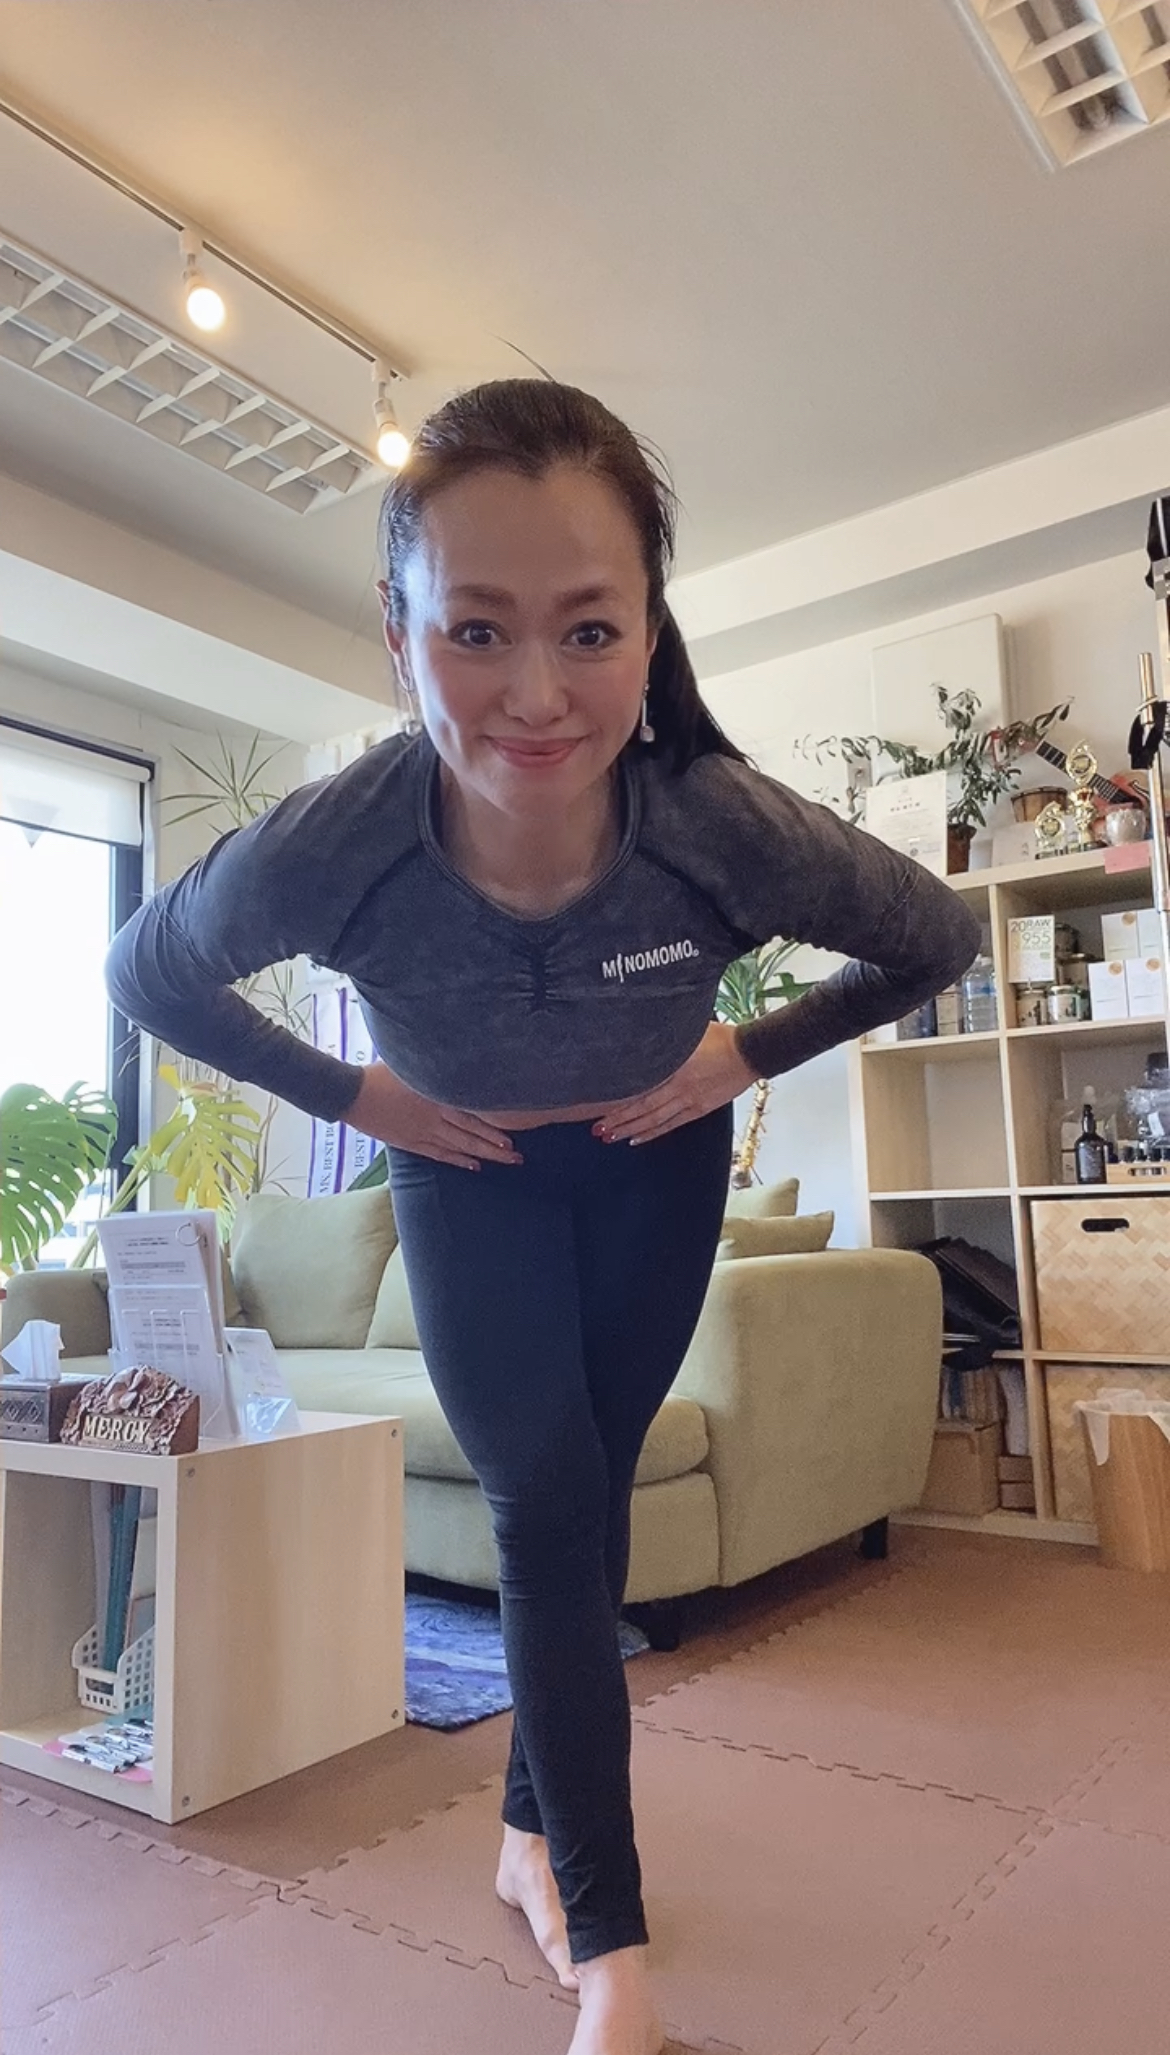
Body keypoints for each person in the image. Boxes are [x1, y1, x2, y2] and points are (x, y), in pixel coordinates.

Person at [106, 378, 979, 2055]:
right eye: (474, 630)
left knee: (581, 1508)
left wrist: (739, 1055)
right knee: (544, 1510)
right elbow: (146, 971)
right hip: (469, 1181)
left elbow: (930, 936)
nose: (532, 693)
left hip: (655, 1167)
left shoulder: (712, 826)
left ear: (648, 632)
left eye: (587, 631)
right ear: (398, 636)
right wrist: (358, 1100)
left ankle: (526, 1840)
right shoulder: (340, 845)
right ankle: (613, 1960)